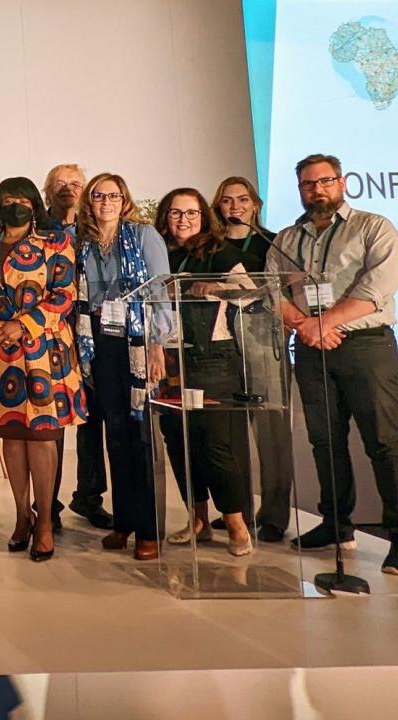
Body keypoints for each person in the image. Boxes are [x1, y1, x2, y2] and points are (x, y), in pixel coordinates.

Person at [267, 153, 398, 574]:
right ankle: (336, 524)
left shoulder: (373, 227)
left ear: (342, 183)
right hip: (311, 348)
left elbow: (377, 286)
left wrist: (322, 323)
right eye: (308, 184)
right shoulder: (286, 238)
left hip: (365, 345)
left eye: (324, 182)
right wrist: (307, 328)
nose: (316, 190)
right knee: (325, 441)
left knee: (384, 441)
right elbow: (274, 292)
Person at [0, 179, 86, 561]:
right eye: (6, 200)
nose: (14, 206)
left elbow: (65, 295)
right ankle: (21, 516)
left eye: (21, 200)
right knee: (13, 438)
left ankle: (45, 520)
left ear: (34, 204)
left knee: (43, 438)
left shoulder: (56, 243)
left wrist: (23, 324)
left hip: (44, 355)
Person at [153, 188, 254, 556]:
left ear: (203, 217)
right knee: (179, 442)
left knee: (217, 444)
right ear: (165, 216)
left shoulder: (219, 251)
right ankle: (197, 519)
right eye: (176, 213)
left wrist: (218, 286)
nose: (184, 220)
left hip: (213, 358)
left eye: (191, 213)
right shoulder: (159, 254)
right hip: (170, 358)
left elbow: (251, 291)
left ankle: (235, 523)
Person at [76, 173, 170, 561]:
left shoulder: (144, 236)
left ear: (124, 199)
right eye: (99, 195)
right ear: (89, 201)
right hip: (98, 340)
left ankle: (149, 529)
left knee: (139, 435)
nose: (107, 202)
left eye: (114, 195)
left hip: (136, 341)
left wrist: (157, 344)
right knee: (114, 433)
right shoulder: (80, 243)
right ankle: (125, 522)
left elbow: (159, 288)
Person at [212, 176, 291, 543]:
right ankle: (237, 511)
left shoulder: (271, 242)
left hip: (261, 334)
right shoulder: (208, 245)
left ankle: (274, 514)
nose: (235, 207)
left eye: (242, 200)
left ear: (254, 205)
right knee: (229, 429)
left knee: (270, 429)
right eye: (227, 201)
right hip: (219, 340)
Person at [44, 163, 114, 530]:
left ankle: (88, 497)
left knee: (92, 420)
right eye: (59, 184)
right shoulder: (38, 231)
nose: (67, 189)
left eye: (75, 183)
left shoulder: (94, 233)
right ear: (46, 192)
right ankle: (47, 504)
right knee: (50, 424)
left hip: (93, 336)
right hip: (50, 337)